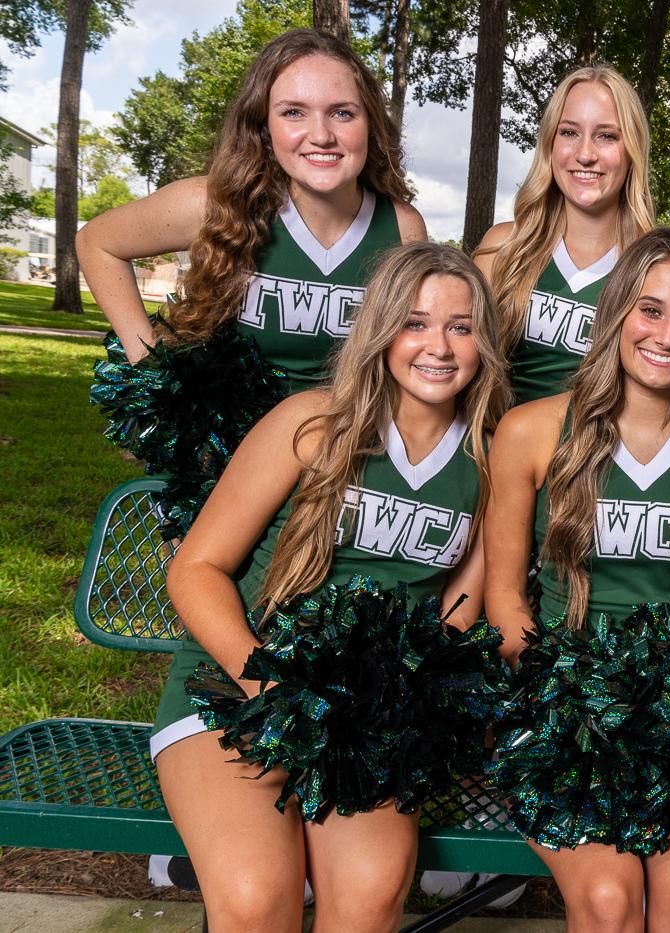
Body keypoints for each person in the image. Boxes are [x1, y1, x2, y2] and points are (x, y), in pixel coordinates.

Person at [155, 242, 507, 932]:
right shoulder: (312, 423)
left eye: (461, 327)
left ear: (484, 343)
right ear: (381, 331)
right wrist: (271, 690)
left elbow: (456, 615)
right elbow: (195, 570)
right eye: (414, 323)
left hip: (365, 721)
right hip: (236, 690)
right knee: (256, 900)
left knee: (371, 896)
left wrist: (400, 711)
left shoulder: (486, 457)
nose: (438, 346)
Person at [484, 228, 670, 932]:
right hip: (562, 717)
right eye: (650, 310)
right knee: (611, 902)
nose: (667, 336)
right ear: (617, 312)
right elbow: (504, 597)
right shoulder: (530, 430)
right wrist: (565, 703)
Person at [79, 29, 425, 535]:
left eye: (342, 113)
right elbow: (97, 243)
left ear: (370, 124)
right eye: (293, 112)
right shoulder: (213, 203)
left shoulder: (402, 228)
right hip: (225, 463)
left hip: (341, 463)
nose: (321, 134)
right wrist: (150, 370)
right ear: (263, 125)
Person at [474, 64, 654, 404]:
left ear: (632, 149)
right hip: (502, 437)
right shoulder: (503, 248)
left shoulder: (654, 267)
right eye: (569, 132)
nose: (585, 155)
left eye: (606, 136)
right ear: (549, 144)